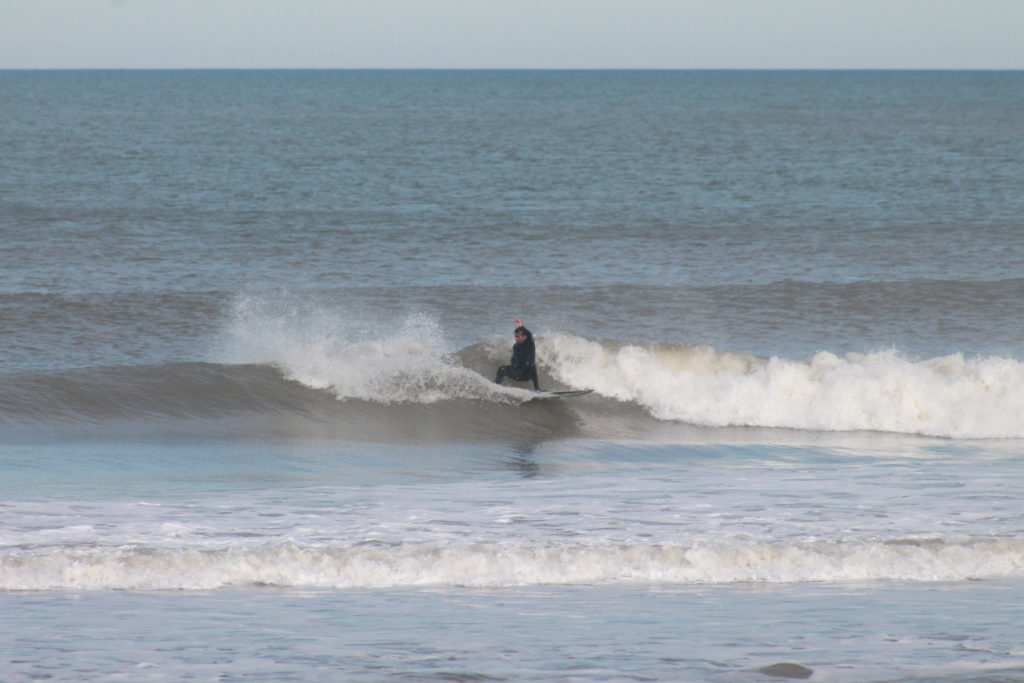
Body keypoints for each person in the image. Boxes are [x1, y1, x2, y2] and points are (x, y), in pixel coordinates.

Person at [494, 316, 540, 391]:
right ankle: (496, 387)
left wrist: (521, 326)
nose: (516, 338)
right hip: (517, 373)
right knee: (501, 369)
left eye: (518, 337)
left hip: (526, 374)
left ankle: (537, 388)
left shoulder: (530, 344)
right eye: (515, 336)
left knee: (531, 364)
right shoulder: (516, 346)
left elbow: (530, 335)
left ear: (524, 337)